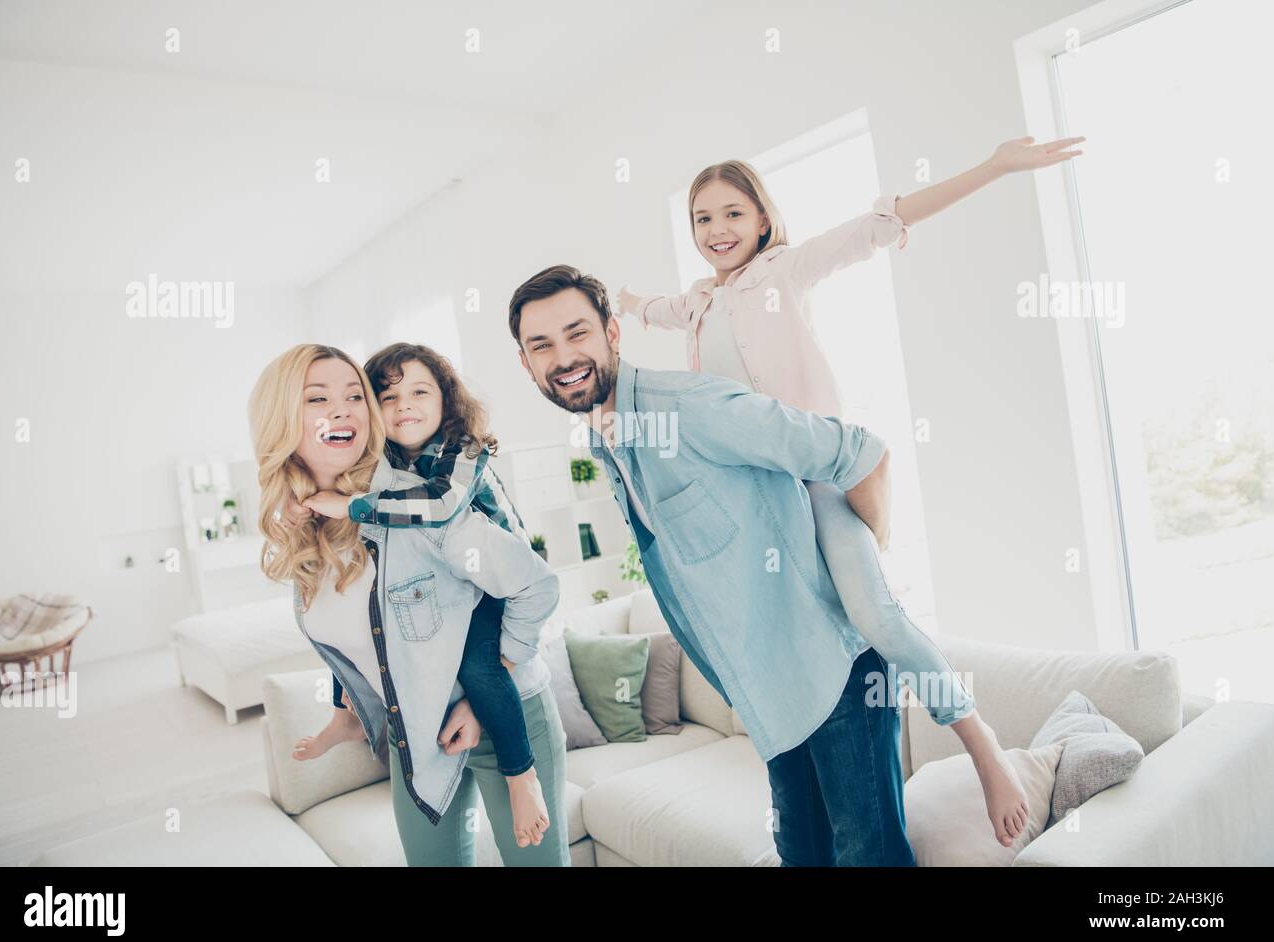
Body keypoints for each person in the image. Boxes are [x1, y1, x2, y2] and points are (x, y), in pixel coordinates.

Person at [613, 137, 1083, 846]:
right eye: (702, 219)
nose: (718, 231)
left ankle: (983, 749)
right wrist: (603, 303)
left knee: (879, 619)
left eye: (733, 213)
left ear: (764, 219)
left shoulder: (787, 269)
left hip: (820, 483)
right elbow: (633, 307)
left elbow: (880, 223)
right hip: (757, 510)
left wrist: (994, 167)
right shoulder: (697, 305)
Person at [248, 343, 570, 865]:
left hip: (504, 714)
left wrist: (491, 683)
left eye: (354, 395)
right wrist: (350, 712)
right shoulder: (309, 523)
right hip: (415, 738)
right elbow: (361, 639)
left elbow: (536, 584)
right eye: (316, 398)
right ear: (282, 418)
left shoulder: (420, 500)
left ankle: (521, 770)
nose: (342, 409)